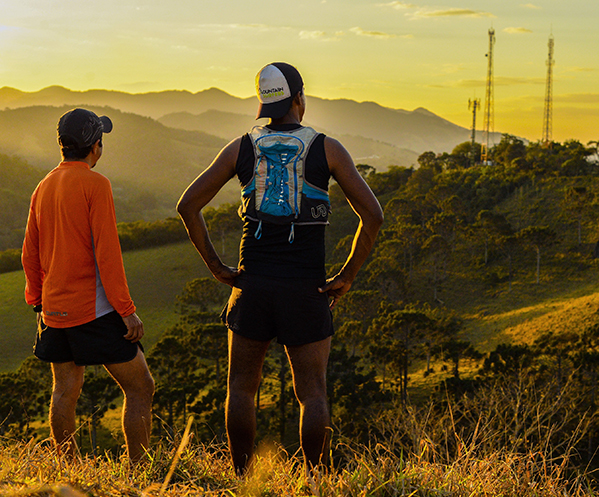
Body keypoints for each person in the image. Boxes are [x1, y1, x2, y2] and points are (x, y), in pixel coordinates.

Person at [177, 62, 383, 474]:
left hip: (251, 286)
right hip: (306, 291)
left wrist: (218, 267)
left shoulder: (241, 148)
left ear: (263, 103)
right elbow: (373, 216)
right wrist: (346, 276)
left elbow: (188, 206)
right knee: (313, 394)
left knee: (240, 389)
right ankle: (316, 482)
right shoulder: (328, 149)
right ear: (300, 99)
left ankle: (242, 479)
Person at [22, 108, 155, 462]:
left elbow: (29, 254)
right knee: (141, 386)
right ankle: (140, 471)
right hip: (93, 310)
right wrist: (127, 312)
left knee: (65, 390)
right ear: (95, 146)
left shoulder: (44, 185)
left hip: (53, 310)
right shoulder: (97, 185)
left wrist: (38, 301)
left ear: (62, 145)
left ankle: (68, 468)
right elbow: (108, 255)